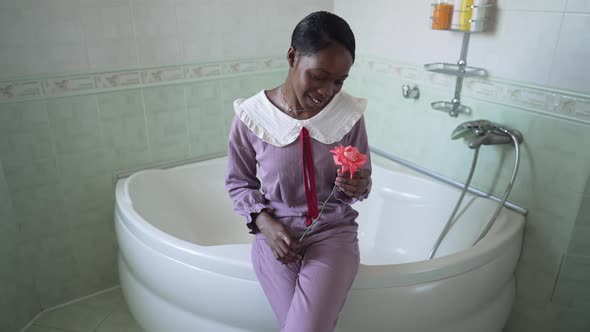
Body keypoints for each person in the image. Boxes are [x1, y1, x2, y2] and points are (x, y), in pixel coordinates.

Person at [225, 11, 372, 332]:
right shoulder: (252, 116)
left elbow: (362, 184)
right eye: (318, 76)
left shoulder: (348, 114)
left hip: (332, 237)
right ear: (292, 56)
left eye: (339, 81)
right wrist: (266, 225)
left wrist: (357, 183)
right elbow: (239, 184)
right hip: (276, 241)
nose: (327, 91)